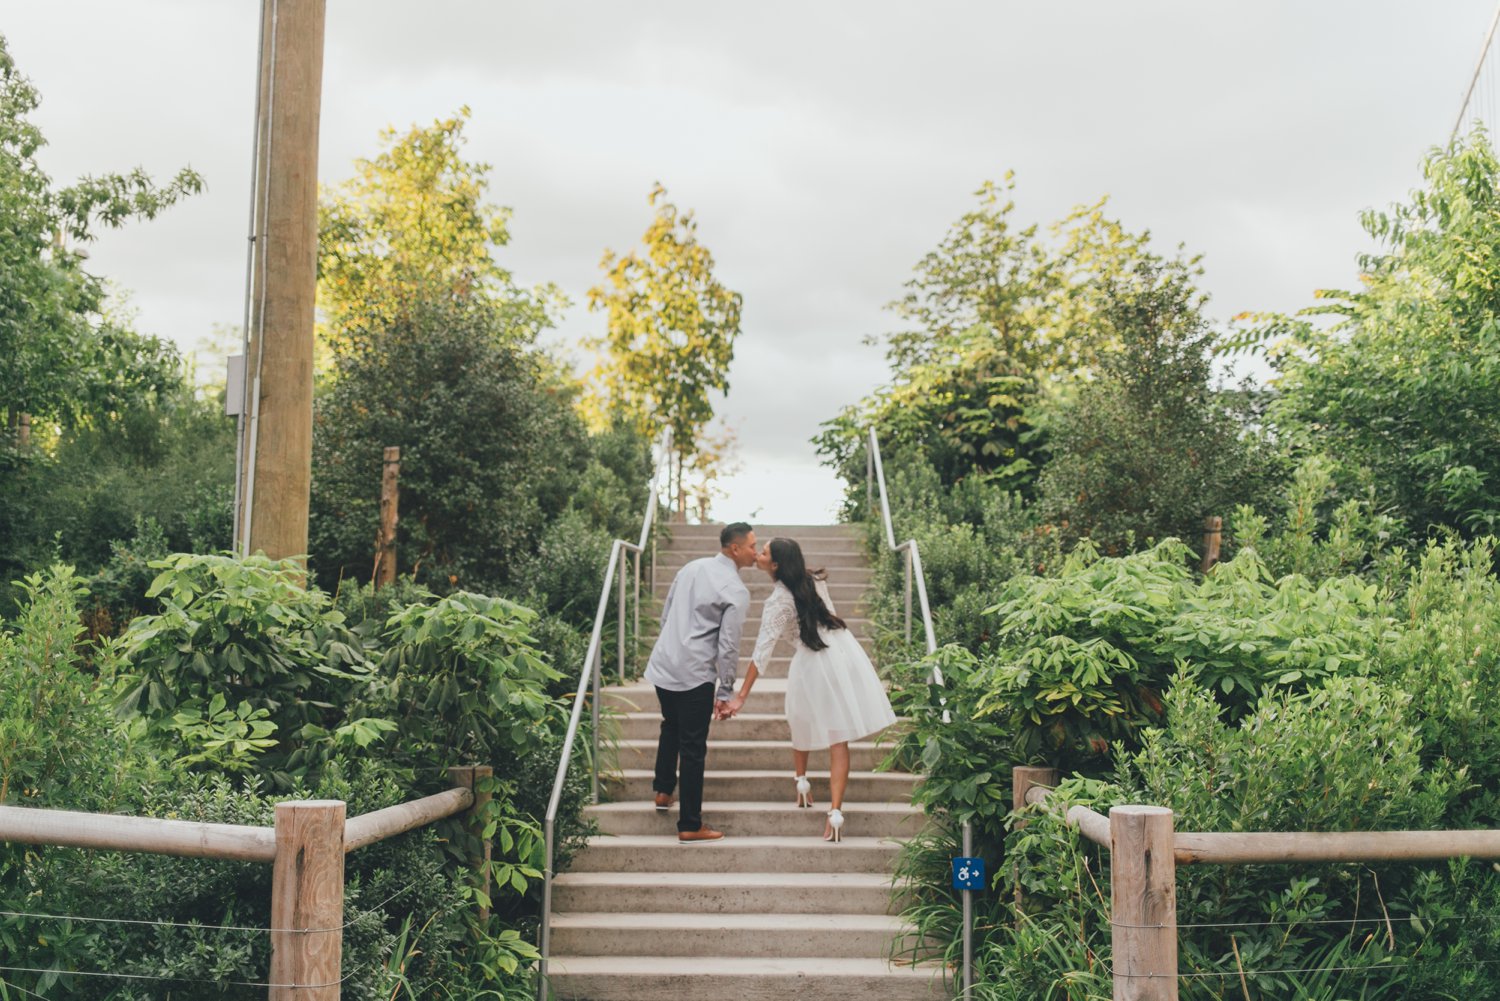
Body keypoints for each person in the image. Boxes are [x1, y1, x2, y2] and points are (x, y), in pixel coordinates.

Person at [721, 537, 895, 842]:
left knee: (799, 719)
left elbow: (762, 652)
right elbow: (828, 614)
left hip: (812, 661)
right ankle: (835, 812)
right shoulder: (814, 580)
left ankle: (801, 781)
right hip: (841, 652)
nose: (758, 554)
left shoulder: (778, 601)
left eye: (763, 552)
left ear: (774, 565)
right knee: (838, 739)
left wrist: (741, 696)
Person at [643, 521, 756, 844]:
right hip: (694, 673)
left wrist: (671, 645)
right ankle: (690, 823)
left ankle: (663, 791)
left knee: (671, 724)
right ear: (735, 548)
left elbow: (666, 616)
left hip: (665, 663)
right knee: (693, 747)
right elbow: (729, 645)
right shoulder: (735, 590)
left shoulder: (691, 568)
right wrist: (725, 690)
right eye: (751, 546)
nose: (755, 552)